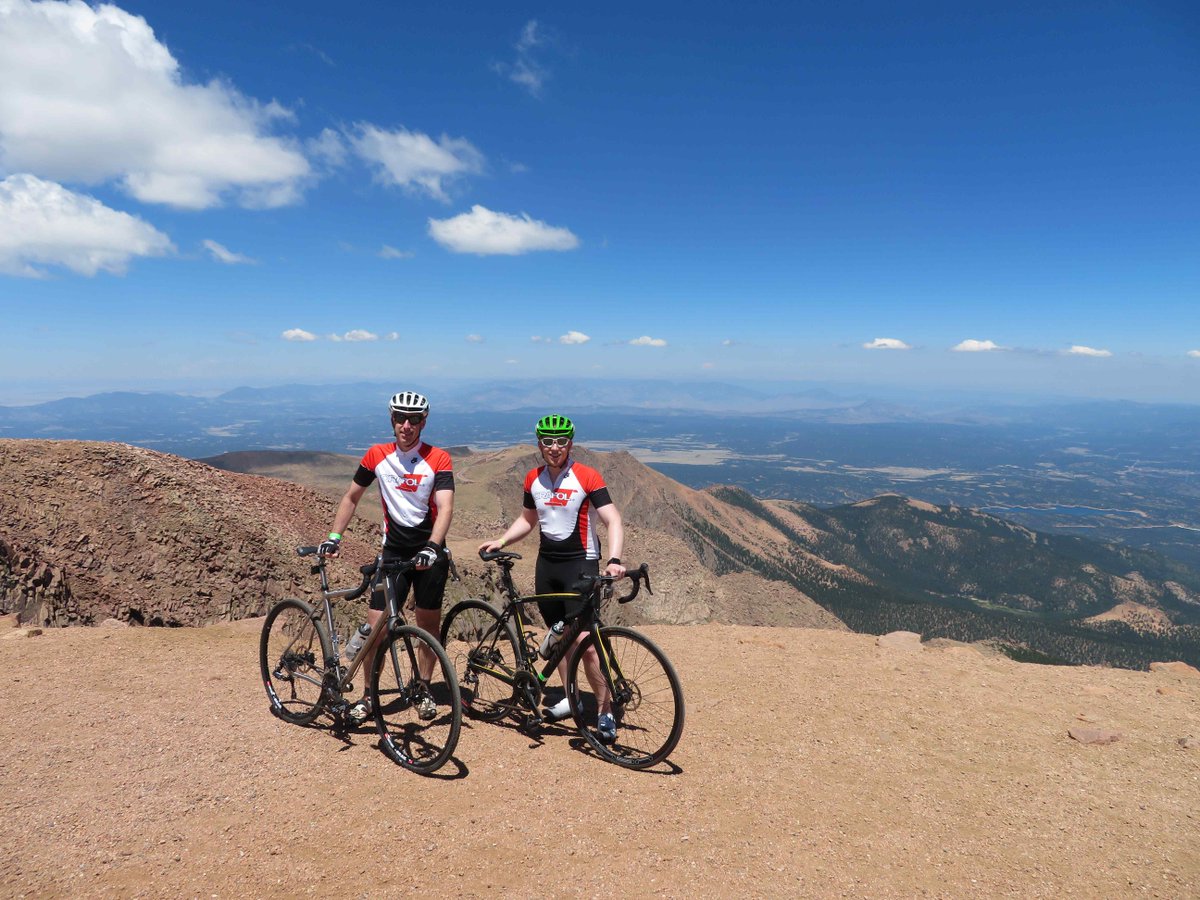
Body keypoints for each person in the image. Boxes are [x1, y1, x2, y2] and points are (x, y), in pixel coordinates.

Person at [478, 413, 625, 742]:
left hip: (582, 565)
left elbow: (612, 520)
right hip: (547, 568)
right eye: (548, 441)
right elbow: (527, 519)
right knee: (559, 640)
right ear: (539, 445)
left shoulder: (587, 477)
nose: (555, 447)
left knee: (586, 645)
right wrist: (501, 541)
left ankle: (604, 711)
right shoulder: (533, 478)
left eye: (561, 441)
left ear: (571, 443)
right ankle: (570, 699)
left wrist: (614, 559)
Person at [319, 390, 454, 723]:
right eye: (400, 418)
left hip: (429, 554)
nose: (406, 425)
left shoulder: (438, 458)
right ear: (391, 420)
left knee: (429, 628)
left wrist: (433, 547)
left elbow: (447, 506)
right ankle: (368, 695)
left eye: (414, 420)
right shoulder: (376, 455)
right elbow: (352, 497)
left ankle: (422, 687)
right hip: (393, 553)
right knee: (375, 628)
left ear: (424, 422)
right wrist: (335, 536)